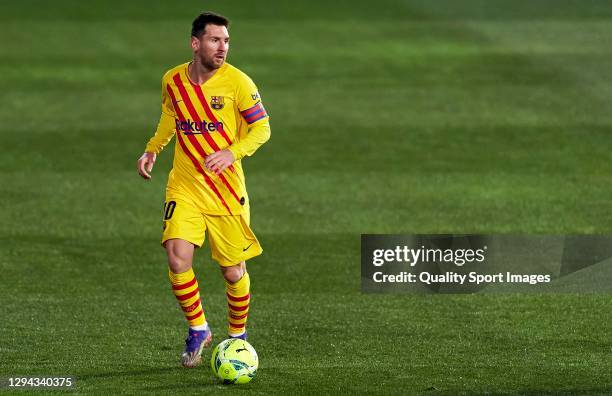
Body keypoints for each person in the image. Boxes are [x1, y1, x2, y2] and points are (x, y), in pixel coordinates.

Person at [136, 11, 270, 368]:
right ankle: (198, 328)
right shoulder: (173, 80)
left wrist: (232, 151)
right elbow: (171, 115)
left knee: (232, 272)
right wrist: (153, 148)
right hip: (185, 185)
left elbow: (262, 129)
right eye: (215, 40)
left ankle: (237, 337)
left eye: (226, 41)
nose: (222, 47)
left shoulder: (239, 83)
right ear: (195, 44)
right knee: (177, 257)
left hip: (226, 192)